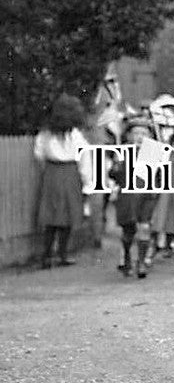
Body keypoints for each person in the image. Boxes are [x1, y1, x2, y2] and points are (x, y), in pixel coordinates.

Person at [33, 94, 89, 268]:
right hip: (67, 172)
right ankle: (58, 254)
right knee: (60, 216)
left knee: (57, 216)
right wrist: (87, 183)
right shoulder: (74, 136)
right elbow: (85, 159)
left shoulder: (47, 135)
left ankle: (49, 255)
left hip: (53, 172)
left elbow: (38, 155)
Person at [111, 116, 160, 279]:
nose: (140, 137)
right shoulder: (122, 152)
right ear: (129, 135)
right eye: (136, 133)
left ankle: (141, 262)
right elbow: (114, 175)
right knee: (128, 231)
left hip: (148, 195)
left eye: (144, 133)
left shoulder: (155, 152)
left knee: (144, 227)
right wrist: (117, 166)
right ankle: (126, 256)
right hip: (127, 196)